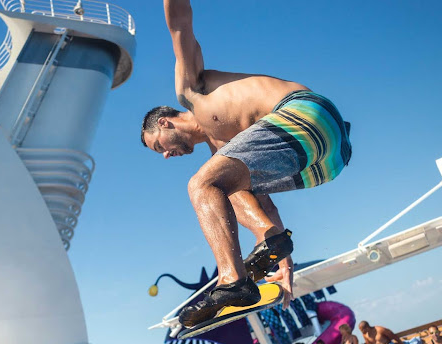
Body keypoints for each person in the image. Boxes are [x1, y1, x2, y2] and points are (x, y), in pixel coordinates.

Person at [141, 0, 351, 327]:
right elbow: (264, 203)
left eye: (159, 147)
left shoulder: (190, 90)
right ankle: (267, 240)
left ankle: (232, 280)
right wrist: (284, 261)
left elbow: (180, 22)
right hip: (325, 161)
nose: (167, 156)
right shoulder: (225, 150)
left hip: (307, 114)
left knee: (200, 184)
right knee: (224, 188)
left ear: (165, 123)